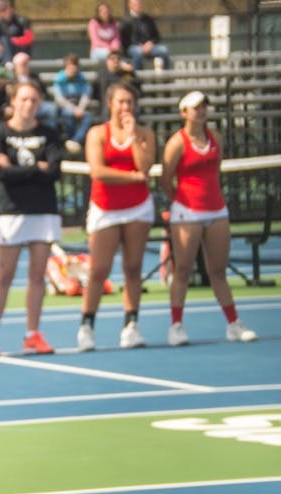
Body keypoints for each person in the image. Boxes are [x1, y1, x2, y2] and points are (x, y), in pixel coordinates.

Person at [158, 91, 257, 345]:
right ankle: (176, 325)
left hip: (216, 210)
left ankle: (233, 323)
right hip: (187, 212)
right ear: (184, 113)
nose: (200, 112)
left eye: (203, 107)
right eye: (194, 108)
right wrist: (181, 201)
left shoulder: (216, 138)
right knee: (183, 270)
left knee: (218, 271)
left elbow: (216, 170)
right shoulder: (176, 142)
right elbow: (165, 178)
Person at [0, 80, 63, 357]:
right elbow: (2, 174)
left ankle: (32, 334)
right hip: (12, 211)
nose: (29, 105)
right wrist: (34, 169)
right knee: (4, 276)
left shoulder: (49, 134)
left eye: (34, 100)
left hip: (44, 210)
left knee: (37, 276)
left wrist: (19, 168)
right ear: (13, 102)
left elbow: (54, 171)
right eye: (24, 99)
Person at [77, 81, 155, 351]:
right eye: (121, 101)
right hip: (105, 208)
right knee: (99, 270)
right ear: (110, 104)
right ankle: (87, 325)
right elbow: (98, 171)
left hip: (138, 207)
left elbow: (145, 166)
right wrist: (131, 176)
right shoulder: (97, 133)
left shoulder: (145, 133)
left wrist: (133, 137)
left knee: (133, 268)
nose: (125, 107)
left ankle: (131, 325)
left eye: (130, 102)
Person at [52, 53, 93, 155]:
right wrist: (74, 109)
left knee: (88, 117)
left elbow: (86, 95)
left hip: (79, 108)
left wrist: (80, 108)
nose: (72, 68)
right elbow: (59, 99)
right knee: (68, 115)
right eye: (70, 65)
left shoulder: (81, 79)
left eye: (74, 65)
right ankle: (70, 140)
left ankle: (75, 141)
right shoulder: (59, 79)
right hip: (65, 107)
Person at [119, 0, 171, 71]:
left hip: (150, 47)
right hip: (133, 47)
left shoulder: (148, 19)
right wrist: (139, 45)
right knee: (138, 53)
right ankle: (136, 79)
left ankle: (166, 78)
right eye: (135, 4)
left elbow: (157, 36)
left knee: (164, 50)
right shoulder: (125, 20)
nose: (138, 6)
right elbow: (124, 40)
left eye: (139, 3)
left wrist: (150, 43)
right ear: (129, 5)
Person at [0, 0, 34, 71]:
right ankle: (8, 63)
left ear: (11, 9)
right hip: (5, 52)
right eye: (0, 10)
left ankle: (8, 61)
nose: (3, 12)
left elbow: (29, 38)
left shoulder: (22, 20)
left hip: (21, 52)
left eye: (4, 9)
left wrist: (13, 41)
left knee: (4, 39)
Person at [12, 51, 56, 128]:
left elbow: (44, 92)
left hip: (38, 103)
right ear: (15, 66)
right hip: (20, 106)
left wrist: (39, 101)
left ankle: (49, 133)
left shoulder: (35, 77)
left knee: (51, 108)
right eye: (22, 65)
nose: (24, 67)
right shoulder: (11, 81)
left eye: (26, 64)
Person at [96, 49, 140, 115]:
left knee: (133, 109)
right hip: (108, 105)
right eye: (112, 59)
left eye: (118, 59)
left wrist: (132, 73)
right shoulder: (102, 74)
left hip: (125, 103)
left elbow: (137, 89)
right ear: (107, 61)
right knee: (107, 110)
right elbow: (98, 92)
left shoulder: (126, 74)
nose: (115, 61)